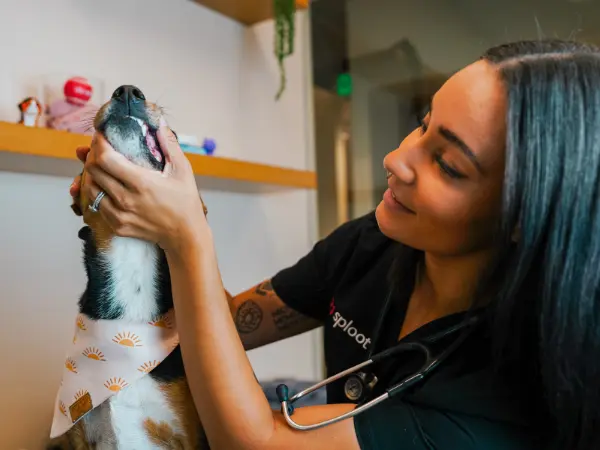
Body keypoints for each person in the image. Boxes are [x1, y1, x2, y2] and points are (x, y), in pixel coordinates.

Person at [68, 39, 600, 449]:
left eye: (446, 162)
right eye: (423, 124)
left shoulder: (493, 402)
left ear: (522, 219)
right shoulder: (377, 242)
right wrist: (145, 229)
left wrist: (188, 236)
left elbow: (256, 443)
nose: (396, 159)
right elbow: (224, 324)